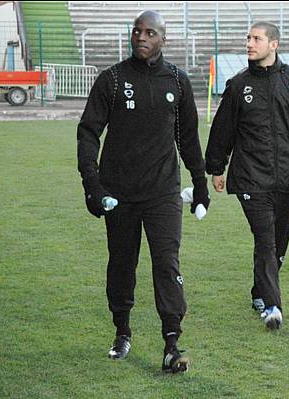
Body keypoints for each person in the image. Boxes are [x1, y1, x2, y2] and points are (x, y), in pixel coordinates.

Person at [77, 10, 209, 372]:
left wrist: (200, 184)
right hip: (119, 192)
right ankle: (122, 331)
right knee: (122, 263)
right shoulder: (113, 80)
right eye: (136, 31)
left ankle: (172, 341)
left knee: (167, 263)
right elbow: (88, 133)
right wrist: (93, 185)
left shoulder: (178, 82)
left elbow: (188, 139)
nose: (141, 37)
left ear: (163, 39)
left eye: (150, 32)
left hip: (163, 192)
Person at [205, 21, 289, 330]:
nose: (249, 43)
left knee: (278, 245)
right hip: (251, 177)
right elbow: (222, 130)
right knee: (265, 239)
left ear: (274, 44)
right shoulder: (238, 85)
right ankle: (273, 307)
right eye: (248, 38)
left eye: (256, 38)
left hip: (288, 178)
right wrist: (216, 167)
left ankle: (259, 292)